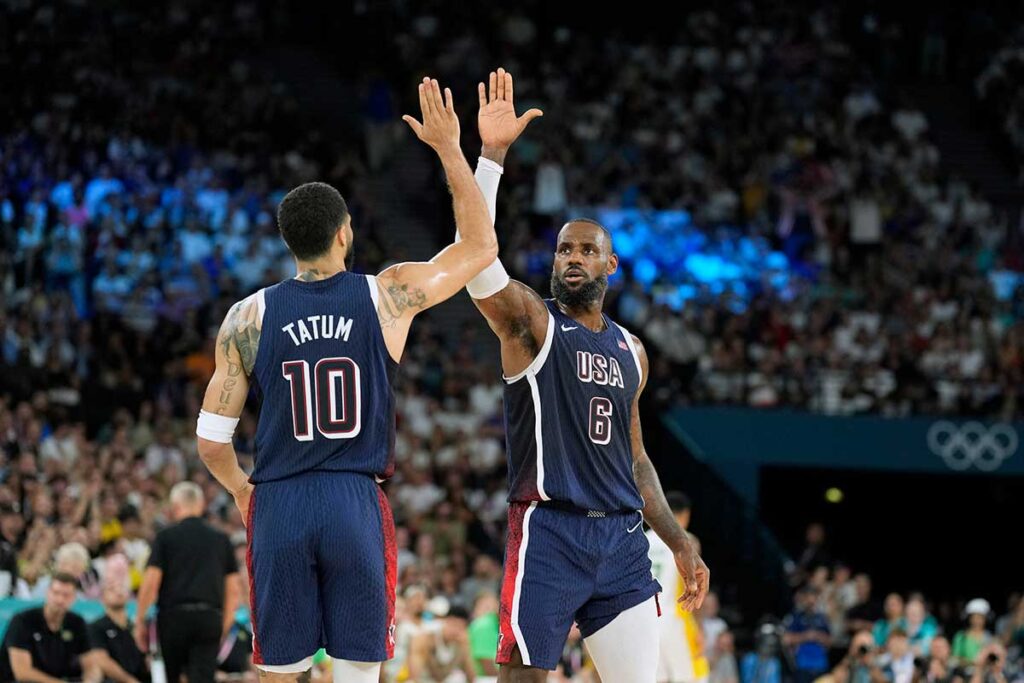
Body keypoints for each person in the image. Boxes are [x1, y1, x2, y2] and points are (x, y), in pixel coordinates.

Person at [194, 74, 503, 683]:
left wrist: (241, 490)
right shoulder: (386, 295)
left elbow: (210, 441)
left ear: (290, 244)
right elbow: (479, 246)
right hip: (353, 499)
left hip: (279, 499)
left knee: (280, 672)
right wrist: (451, 149)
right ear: (344, 234)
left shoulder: (247, 316)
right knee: (359, 671)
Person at [465, 68, 708, 681]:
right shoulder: (532, 325)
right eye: (564, 250)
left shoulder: (633, 350)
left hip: (624, 542)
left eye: (586, 250)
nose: (572, 258)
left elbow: (637, 459)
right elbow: (476, 263)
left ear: (610, 264)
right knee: (522, 677)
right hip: (549, 531)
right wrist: (491, 157)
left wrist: (677, 541)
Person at [133, 482, 240, 683]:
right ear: (200, 506)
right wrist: (224, 625)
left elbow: (151, 583)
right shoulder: (221, 539)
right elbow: (233, 590)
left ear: (175, 507)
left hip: (173, 618)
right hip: (209, 618)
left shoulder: (165, 537)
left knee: (170, 678)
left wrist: (139, 621)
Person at [647, 492, 710, 683]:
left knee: (658, 679)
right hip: (675, 618)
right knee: (695, 677)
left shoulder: (644, 539)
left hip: (648, 620)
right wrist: (699, 627)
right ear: (684, 515)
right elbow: (694, 586)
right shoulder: (687, 540)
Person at [0, 572, 103, 683]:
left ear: (74, 598)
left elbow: (91, 666)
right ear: (47, 593)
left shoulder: (77, 622)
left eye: (66, 595)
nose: (60, 600)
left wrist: (90, 680)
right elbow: (22, 673)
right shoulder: (23, 620)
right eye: (56, 593)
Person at [90, 560, 148, 683]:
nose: (118, 591)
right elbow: (102, 661)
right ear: (102, 597)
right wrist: (130, 681)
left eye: (121, 587)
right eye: (111, 589)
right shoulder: (96, 627)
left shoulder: (136, 627)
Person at [408, 604, 476, 682]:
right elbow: (414, 675)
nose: (455, 630)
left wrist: (466, 649)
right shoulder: (425, 637)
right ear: (446, 621)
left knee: (459, 677)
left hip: (444, 679)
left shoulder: (461, 642)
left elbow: (472, 678)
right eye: (454, 624)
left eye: (460, 627)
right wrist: (427, 651)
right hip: (424, 680)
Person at [784, 585, 833, 683]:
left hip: (821, 665)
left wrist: (819, 637)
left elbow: (830, 642)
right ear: (804, 599)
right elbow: (786, 639)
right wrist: (806, 636)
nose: (811, 602)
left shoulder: (822, 618)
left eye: (814, 598)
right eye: (808, 598)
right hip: (802, 665)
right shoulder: (795, 617)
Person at [952, 599, 995, 667]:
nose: (976, 621)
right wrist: (971, 663)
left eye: (980, 617)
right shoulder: (961, 637)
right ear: (969, 618)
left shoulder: (991, 637)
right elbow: (955, 659)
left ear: (985, 619)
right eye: (973, 617)